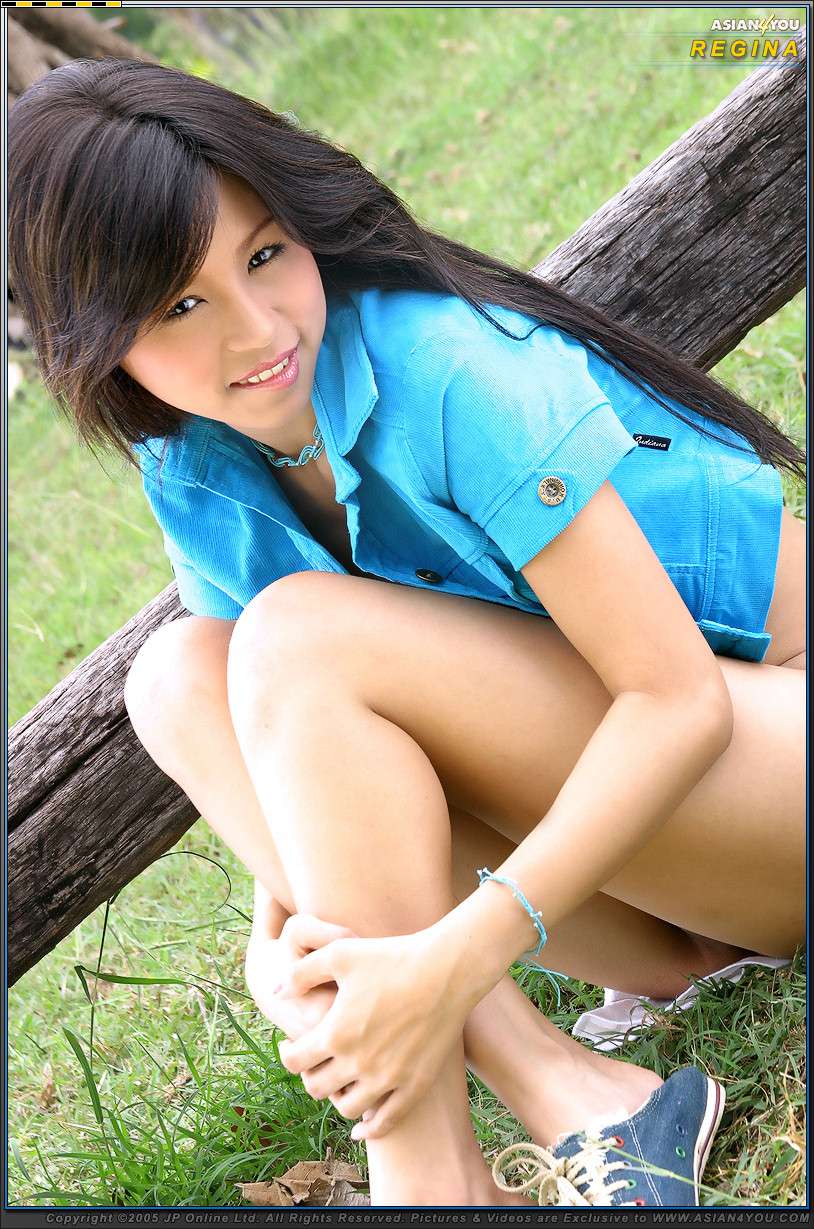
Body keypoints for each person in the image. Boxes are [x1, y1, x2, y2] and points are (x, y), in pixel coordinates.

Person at [8, 59, 805, 1209]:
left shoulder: (440, 366)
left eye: (264, 255)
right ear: (97, 344)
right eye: (179, 306)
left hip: (767, 758)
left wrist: (462, 946)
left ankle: (423, 1182)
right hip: (668, 899)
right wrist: (277, 947)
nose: (257, 328)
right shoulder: (194, 464)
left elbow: (677, 701)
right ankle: (571, 1098)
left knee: (296, 637)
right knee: (176, 678)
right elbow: (279, 749)